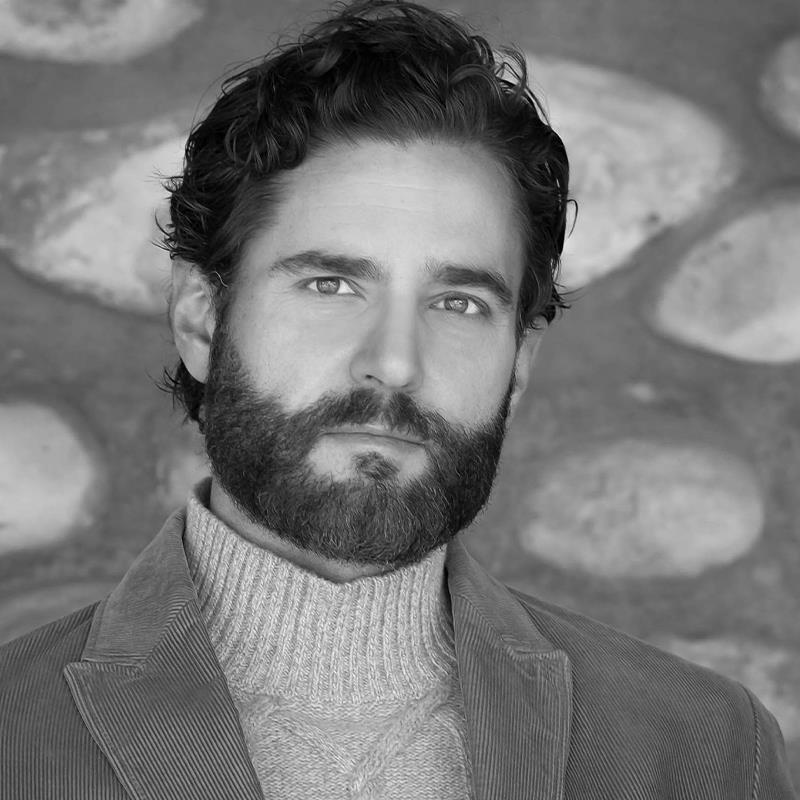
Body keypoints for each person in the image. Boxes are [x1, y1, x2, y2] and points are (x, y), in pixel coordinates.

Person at [1, 0, 796, 797]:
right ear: (200, 319)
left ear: (519, 362)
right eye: (332, 285)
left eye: (459, 303)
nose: (394, 362)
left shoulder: (708, 750)